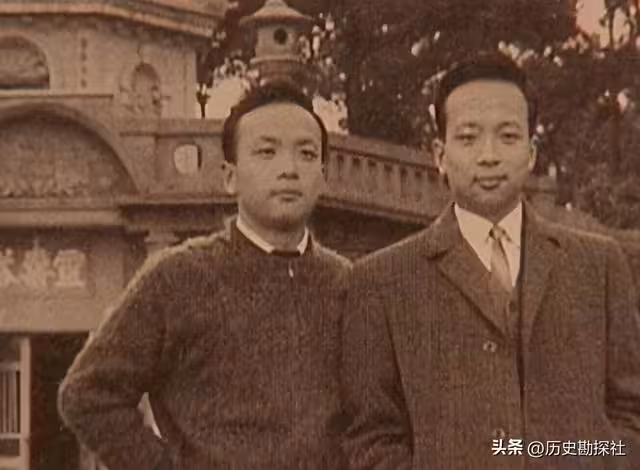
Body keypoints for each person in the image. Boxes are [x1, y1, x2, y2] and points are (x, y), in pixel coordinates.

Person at [341, 54, 640, 470]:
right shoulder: (381, 280)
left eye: (507, 136)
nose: (489, 155)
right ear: (440, 155)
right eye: (468, 138)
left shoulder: (599, 265)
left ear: (531, 153)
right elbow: (372, 438)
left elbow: (630, 415)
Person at [58, 81, 351, 470]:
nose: (289, 169)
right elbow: (87, 393)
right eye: (266, 151)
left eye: (306, 154)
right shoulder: (178, 278)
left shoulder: (349, 284)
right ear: (230, 176)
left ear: (323, 176)